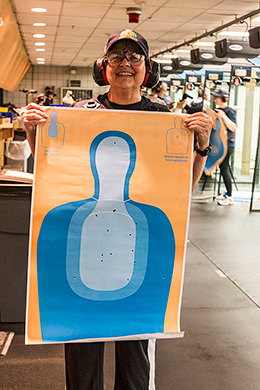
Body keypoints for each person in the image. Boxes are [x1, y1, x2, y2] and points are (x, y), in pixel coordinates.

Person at [21, 29, 212, 390]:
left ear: (147, 67)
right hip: (80, 263)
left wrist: (201, 146)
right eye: (116, 57)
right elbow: (55, 176)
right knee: (82, 365)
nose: (125, 63)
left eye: (134, 57)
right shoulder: (81, 114)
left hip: (139, 265)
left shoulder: (164, 119)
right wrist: (35, 132)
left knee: (136, 369)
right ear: (103, 68)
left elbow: (178, 191)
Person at [212, 88, 237, 206]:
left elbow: (233, 127)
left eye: (216, 97)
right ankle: (227, 193)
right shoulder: (218, 110)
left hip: (228, 145)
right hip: (220, 144)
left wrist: (223, 116)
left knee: (225, 168)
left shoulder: (229, 111)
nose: (214, 99)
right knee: (223, 168)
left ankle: (230, 196)